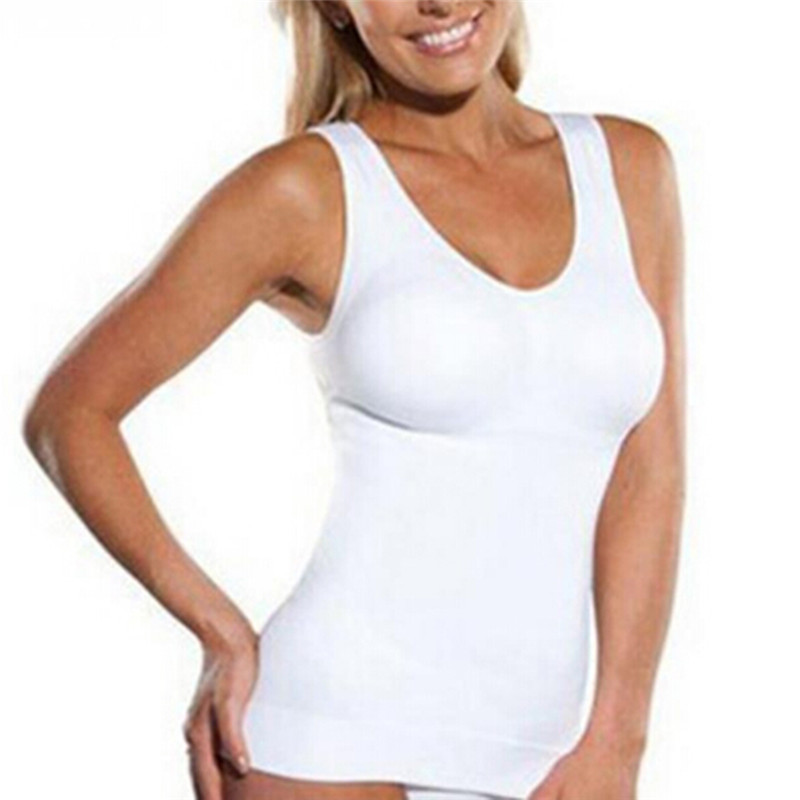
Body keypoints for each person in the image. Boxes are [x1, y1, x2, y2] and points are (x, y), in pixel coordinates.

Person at [22, 1, 686, 799]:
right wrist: (218, 630)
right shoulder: (306, 188)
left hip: (549, 757)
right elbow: (72, 412)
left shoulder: (629, 168)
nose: (439, 3)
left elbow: (651, 467)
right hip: (328, 738)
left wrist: (618, 734)